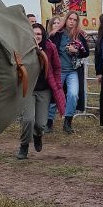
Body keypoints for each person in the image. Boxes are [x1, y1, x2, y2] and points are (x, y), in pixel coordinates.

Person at [17, 23, 64, 159]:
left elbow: (57, 67)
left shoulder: (50, 47)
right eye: (34, 33)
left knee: (40, 123)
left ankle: (38, 136)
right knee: (28, 119)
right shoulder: (23, 48)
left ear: (43, 35)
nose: (36, 36)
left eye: (39, 34)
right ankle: (24, 146)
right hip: (28, 88)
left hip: (44, 90)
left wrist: (57, 85)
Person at [47, 10, 89, 134]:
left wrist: (76, 51)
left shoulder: (79, 35)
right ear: (66, 19)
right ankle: (49, 122)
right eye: (70, 19)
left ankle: (68, 121)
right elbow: (49, 50)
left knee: (73, 94)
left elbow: (86, 52)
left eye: (75, 20)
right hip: (58, 71)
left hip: (73, 71)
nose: (72, 21)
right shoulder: (56, 34)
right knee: (55, 95)